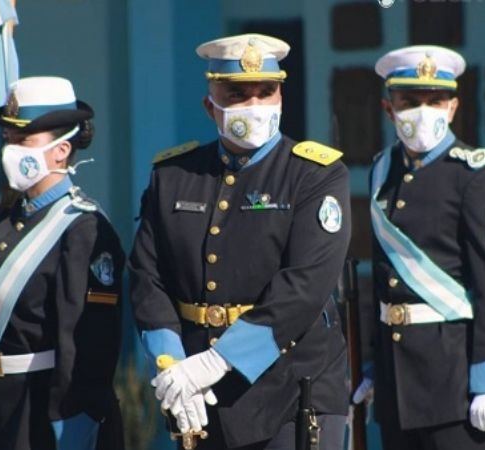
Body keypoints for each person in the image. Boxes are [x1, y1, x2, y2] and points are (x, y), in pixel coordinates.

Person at [128, 33, 352, 449]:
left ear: (282, 97)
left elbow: (305, 285)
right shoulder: (173, 175)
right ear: (210, 105)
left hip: (292, 390)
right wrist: (171, 363)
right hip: (198, 391)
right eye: (237, 94)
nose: (254, 106)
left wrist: (219, 360)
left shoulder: (315, 174)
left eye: (266, 92)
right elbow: (148, 276)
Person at [356, 45, 485, 450]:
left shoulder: (480, 178)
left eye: (435, 101)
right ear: (389, 109)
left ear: (453, 108)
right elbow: (385, 280)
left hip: (457, 388)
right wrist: (373, 366)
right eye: (410, 102)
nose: (423, 112)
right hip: (397, 387)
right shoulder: (383, 173)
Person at [0, 76, 125, 449]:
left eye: (23, 140)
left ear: (61, 150)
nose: (10, 150)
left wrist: (69, 425)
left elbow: (88, 345)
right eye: (8, 139)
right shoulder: (5, 221)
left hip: (48, 413)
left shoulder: (83, 228)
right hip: (2, 408)